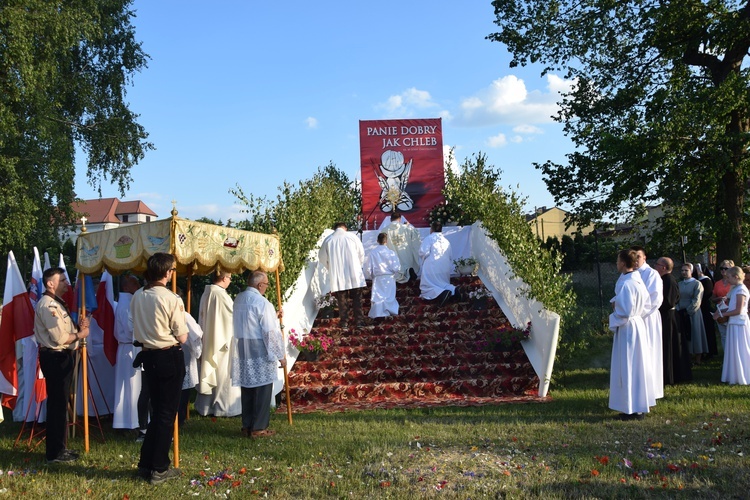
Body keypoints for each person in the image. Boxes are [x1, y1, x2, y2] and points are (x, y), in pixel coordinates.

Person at [131, 253, 188, 485]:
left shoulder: (138, 295)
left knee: (158, 413)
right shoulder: (171, 298)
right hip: (168, 354)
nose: (173, 273)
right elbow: (182, 336)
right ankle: (159, 467)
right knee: (166, 414)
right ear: (167, 273)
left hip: (148, 356)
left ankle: (147, 463)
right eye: (172, 270)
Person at [34, 267, 90, 463]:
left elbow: (66, 331)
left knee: (61, 404)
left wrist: (78, 329)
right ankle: (54, 452)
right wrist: (80, 335)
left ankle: (60, 447)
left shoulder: (57, 303)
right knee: (57, 405)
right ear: (51, 283)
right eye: (63, 280)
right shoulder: (48, 305)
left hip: (61, 357)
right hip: (55, 357)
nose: (67, 283)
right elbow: (59, 337)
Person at [231, 271, 286, 437]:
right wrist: (280, 355)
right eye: (267, 284)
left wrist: (274, 317)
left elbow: (251, 321)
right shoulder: (262, 303)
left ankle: (247, 424)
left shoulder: (239, 299)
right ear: (260, 285)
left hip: (242, 345)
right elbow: (269, 332)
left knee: (247, 387)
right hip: (259, 346)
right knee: (262, 388)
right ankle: (259, 427)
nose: (267, 287)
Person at [608, 249, 654, 420]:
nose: (616, 264)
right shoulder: (638, 281)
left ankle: (632, 408)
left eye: (617, 260)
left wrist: (614, 310)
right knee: (636, 365)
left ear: (623, 262)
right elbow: (646, 305)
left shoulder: (628, 283)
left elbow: (625, 310)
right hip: (637, 325)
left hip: (628, 328)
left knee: (629, 365)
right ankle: (636, 405)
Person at [195, 270, 241, 417]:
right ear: (223, 277)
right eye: (229, 277)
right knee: (222, 373)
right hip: (222, 340)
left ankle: (206, 406)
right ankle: (224, 407)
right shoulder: (220, 295)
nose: (230, 281)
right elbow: (232, 317)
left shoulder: (207, 292)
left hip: (210, 338)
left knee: (211, 369)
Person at [318, 222, 367, 329]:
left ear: (334, 229)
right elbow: (361, 253)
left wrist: (330, 268)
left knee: (342, 300)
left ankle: (344, 322)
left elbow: (322, 257)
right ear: (345, 228)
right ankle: (359, 321)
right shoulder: (352, 237)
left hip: (338, 274)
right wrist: (358, 266)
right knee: (357, 298)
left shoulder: (328, 240)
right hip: (354, 272)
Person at [631, 245, 663, 402]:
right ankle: (637, 388)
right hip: (634, 320)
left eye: (638, 256)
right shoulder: (630, 274)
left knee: (649, 352)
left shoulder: (651, 274)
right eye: (633, 256)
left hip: (646, 318)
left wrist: (635, 313)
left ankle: (651, 391)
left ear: (644, 257)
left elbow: (653, 299)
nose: (636, 260)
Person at [112, 274, 142, 431]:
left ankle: (130, 420)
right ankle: (130, 421)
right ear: (125, 287)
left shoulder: (128, 302)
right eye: (134, 283)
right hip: (129, 347)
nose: (138, 285)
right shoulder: (126, 305)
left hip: (128, 347)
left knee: (131, 386)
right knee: (130, 386)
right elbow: (131, 328)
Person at [655, 257, 691, 385]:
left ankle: (673, 374)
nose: (655, 267)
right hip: (667, 316)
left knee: (670, 344)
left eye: (657, 264)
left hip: (669, 317)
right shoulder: (663, 280)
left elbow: (669, 301)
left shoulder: (668, 280)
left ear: (664, 267)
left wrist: (654, 306)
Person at [712, 266, 750, 385]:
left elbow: (739, 310)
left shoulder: (741, 290)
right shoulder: (735, 289)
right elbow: (732, 307)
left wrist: (722, 314)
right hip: (734, 322)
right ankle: (734, 375)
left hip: (739, 323)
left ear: (736, 277)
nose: (727, 279)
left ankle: (743, 375)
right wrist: (720, 311)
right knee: (734, 350)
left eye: (728, 277)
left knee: (740, 350)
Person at [676, 263, 709, 365]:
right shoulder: (680, 284)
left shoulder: (697, 284)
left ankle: (698, 358)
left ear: (691, 271)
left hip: (693, 313)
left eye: (686, 270)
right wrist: (678, 309)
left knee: (695, 333)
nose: (684, 272)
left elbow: (697, 299)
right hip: (681, 311)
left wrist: (688, 310)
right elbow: (676, 298)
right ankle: (687, 357)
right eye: (682, 270)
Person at [364, 233, 400, 319]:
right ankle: (391, 310)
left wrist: (371, 276)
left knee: (378, 296)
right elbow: (396, 267)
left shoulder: (372, 253)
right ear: (386, 241)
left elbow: (368, 268)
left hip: (378, 278)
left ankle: (378, 312)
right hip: (389, 277)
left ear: (377, 241)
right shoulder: (391, 253)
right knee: (389, 296)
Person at [419, 222, 456, 306]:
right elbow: (450, 256)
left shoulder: (429, 238)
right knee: (443, 283)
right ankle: (454, 290)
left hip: (432, 268)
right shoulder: (446, 241)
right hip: (444, 268)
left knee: (428, 286)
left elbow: (423, 252)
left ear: (431, 229)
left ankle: (442, 293)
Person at [179, 299, 203, 427]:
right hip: (184, 354)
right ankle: (180, 419)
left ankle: (180, 418)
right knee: (182, 391)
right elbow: (196, 336)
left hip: (181, 354)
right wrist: (198, 352)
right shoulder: (184, 316)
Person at [383, 212, 421, 283]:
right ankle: (408, 271)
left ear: (391, 219)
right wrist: (409, 226)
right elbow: (416, 235)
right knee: (406, 260)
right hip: (405, 254)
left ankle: (398, 274)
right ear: (400, 219)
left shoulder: (385, 230)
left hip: (393, 258)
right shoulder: (406, 227)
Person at [695, 264, 719, 358]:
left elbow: (708, 294)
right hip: (699, 308)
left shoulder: (707, 280)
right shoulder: (696, 280)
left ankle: (710, 351)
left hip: (705, 308)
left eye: (698, 268)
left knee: (708, 329)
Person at [711, 259, 734, 349]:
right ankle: (726, 357)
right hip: (720, 310)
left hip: (731, 310)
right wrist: (719, 298)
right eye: (721, 268)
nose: (723, 270)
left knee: (731, 334)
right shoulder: (717, 283)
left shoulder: (734, 283)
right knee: (723, 335)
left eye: (726, 268)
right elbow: (713, 298)